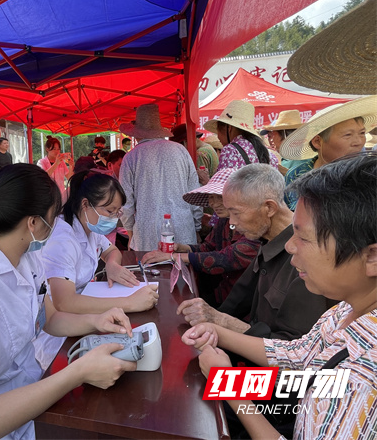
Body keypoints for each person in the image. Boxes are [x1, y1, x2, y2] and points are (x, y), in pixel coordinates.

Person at [0, 164, 137, 439]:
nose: (56, 229)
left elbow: (50, 318)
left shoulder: (27, 256)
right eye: (53, 219)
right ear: (33, 222)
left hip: (29, 398)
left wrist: (96, 321)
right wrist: (77, 373)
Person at [182, 152, 377, 440]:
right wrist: (216, 331)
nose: (289, 247)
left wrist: (229, 388)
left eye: (304, 238)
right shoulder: (345, 311)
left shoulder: (360, 379)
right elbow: (298, 355)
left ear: (371, 256)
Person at [177, 164, 334, 341]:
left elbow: (295, 350)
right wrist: (210, 318)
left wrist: (222, 321)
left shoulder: (307, 258)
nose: (232, 223)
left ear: (269, 208)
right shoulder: (266, 240)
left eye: (236, 213)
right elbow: (239, 297)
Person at [42, 170, 159, 315]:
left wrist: (112, 265)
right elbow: (64, 303)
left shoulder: (89, 226)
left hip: (83, 309)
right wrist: (129, 302)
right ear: (85, 204)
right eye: (110, 211)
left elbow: (112, 251)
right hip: (62, 325)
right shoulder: (62, 240)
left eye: (117, 212)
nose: (114, 218)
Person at [142, 168, 260, 307]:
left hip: (245, 302)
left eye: (220, 197)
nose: (214, 203)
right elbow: (209, 247)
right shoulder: (224, 221)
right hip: (222, 292)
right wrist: (182, 248)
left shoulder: (254, 227)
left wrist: (174, 257)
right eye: (211, 197)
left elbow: (226, 258)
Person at [119, 104, 202, 251]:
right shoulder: (181, 151)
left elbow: (125, 203)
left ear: (136, 133)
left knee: (151, 273)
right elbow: (195, 193)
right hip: (183, 231)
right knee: (183, 272)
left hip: (147, 235)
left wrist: (130, 232)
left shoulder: (131, 157)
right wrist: (197, 226)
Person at [280, 95, 376, 210]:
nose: (359, 142)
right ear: (317, 142)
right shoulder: (296, 175)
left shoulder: (368, 174)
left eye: (362, 133)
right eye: (348, 135)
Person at [204, 100, 279, 171]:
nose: (218, 137)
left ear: (229, 128)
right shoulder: (269, 156)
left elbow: (223, 184)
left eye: (218, 131)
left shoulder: (231, 151)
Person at [37, 135, 73, 202]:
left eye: (58, 149)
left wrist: (71, 166)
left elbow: (69, 177)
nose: (57, 151)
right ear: (47, 149)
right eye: (54, 149)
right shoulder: (41, 162)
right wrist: (56, 163)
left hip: (61, 196)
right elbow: (43, 177)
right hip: (49, 196)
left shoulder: (61, 162)